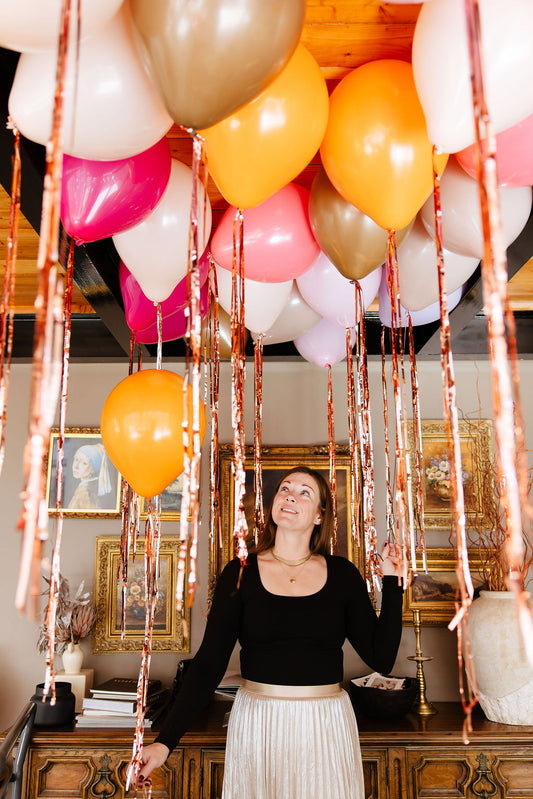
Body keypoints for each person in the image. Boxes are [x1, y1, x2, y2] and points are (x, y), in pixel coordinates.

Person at [136, 466, 406, 798]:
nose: (291, 495)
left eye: (304, 492)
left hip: (325, 723)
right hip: (257, 722)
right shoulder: (240, 573)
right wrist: (164, 743)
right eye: (285, 489)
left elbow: (382, 658)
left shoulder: (343, 576)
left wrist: (393, 583)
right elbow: (208, 664)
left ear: (320, 516)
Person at [67, 442, 113, 509]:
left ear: (93, 469)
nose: (76, 466)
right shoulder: (85, 488)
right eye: (76, 459)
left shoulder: (86, 494)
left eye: (84, 463)